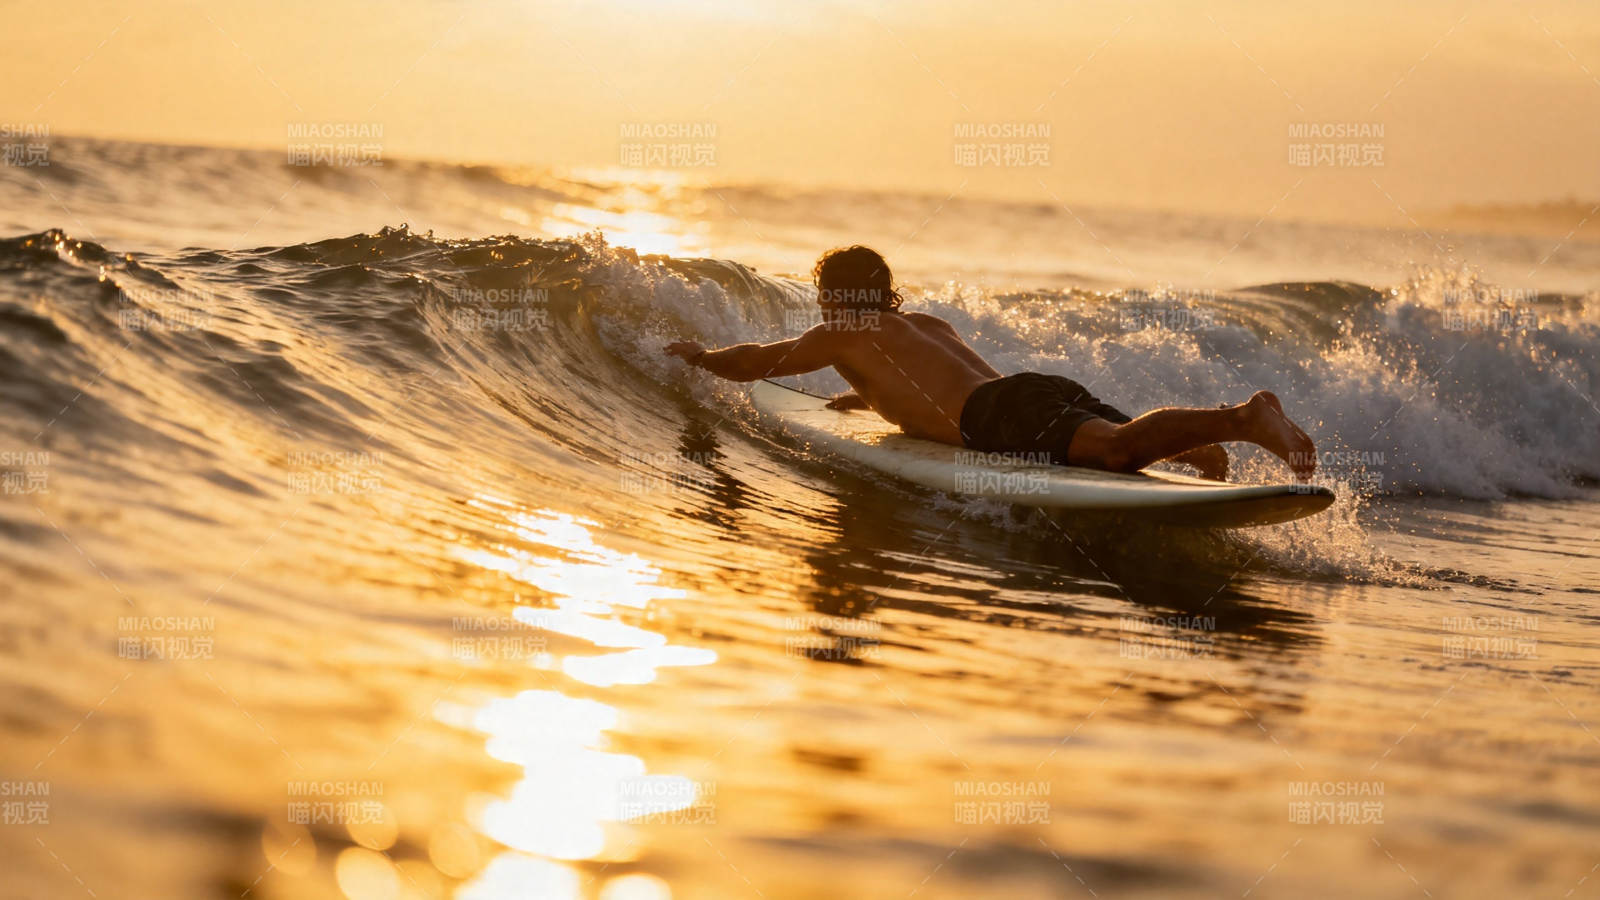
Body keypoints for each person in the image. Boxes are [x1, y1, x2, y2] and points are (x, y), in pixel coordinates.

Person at [665, 245, 1315, 482]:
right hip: (1031, 391)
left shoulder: (845, 329)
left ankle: (1243, 417)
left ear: (837, 297)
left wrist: (700, 355)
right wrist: (870, 401)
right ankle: (1206, 457)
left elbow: (758, 361)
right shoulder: (922, 325)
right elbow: (954, 383)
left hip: (1001, 414)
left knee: (1118, 452)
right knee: (1156, 452)